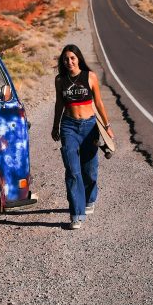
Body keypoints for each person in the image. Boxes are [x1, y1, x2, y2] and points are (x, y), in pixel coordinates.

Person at [51, 44, 112, 230]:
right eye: (66, 59)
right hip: (69, 127)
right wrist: (56, 126)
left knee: (90, 169)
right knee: (72, 171)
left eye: (72, 58)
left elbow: (99, 103)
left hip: (89, 127)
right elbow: (59, 104)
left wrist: (107, 126)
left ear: (78, 58)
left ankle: (90, 198)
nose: (69, 62)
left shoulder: (90, 76)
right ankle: (76, 215)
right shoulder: (60, 80)